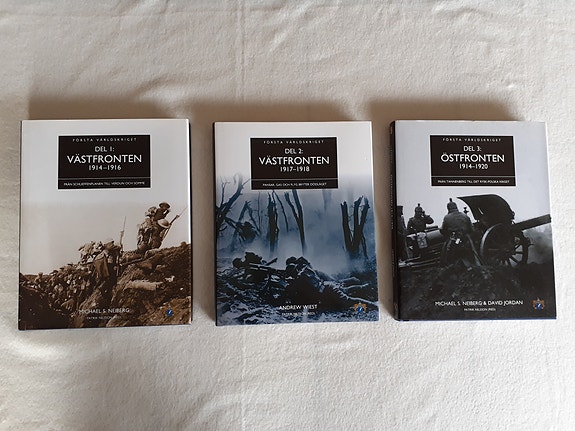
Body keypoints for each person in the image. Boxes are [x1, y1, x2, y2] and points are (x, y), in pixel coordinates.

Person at [439, 199, 478, 266]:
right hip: (466, 240)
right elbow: (472, 229)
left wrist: (448, 235)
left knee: (446, 255)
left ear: (448, 208)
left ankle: (447, 265)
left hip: (453, 241)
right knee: (474, 254)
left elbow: (443, 230)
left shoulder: (447, 218)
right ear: (456, 207)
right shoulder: (465, 216)